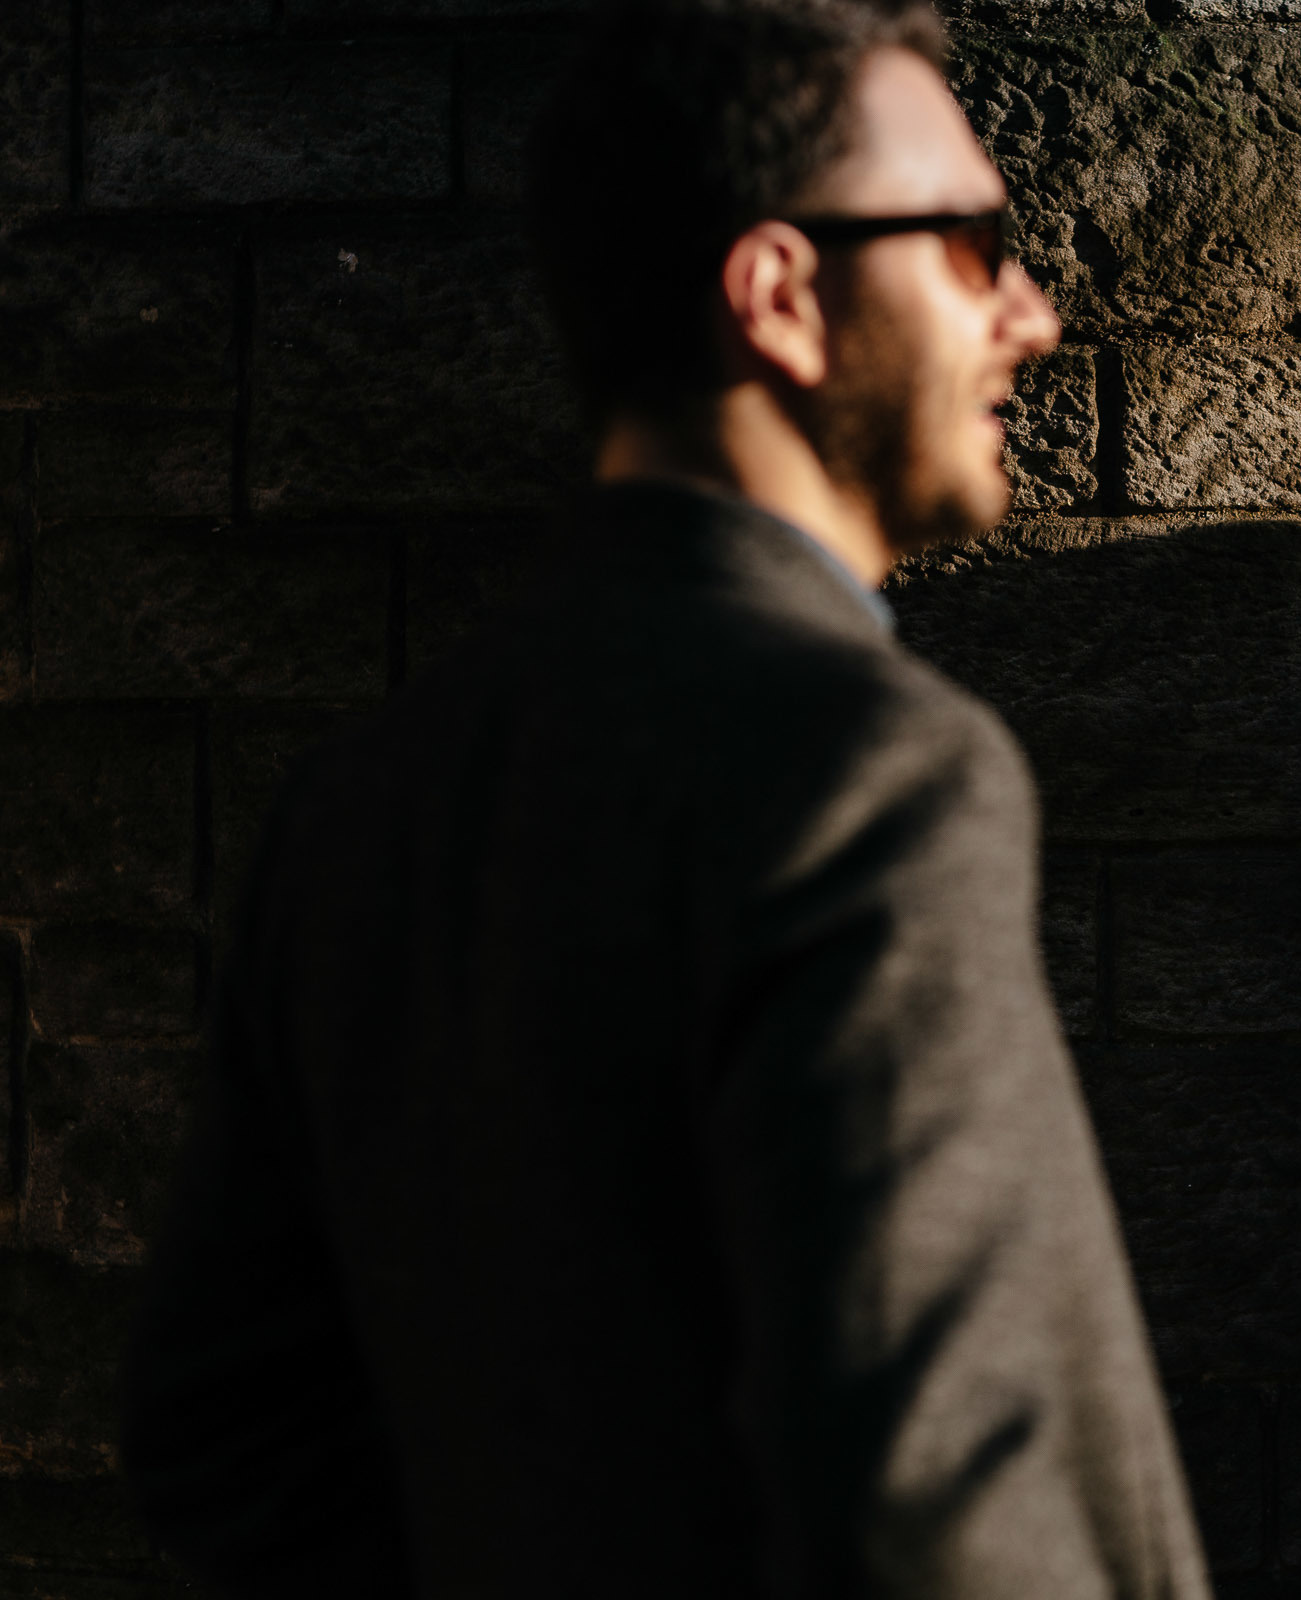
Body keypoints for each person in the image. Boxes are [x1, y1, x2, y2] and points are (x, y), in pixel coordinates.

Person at [117, 3, 1211, 1596]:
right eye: (973, 245)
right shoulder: (872, 766)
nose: (1030, 314)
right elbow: (951, 1504)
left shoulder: (356, 802)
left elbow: (221, 1436)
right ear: (781, 295)